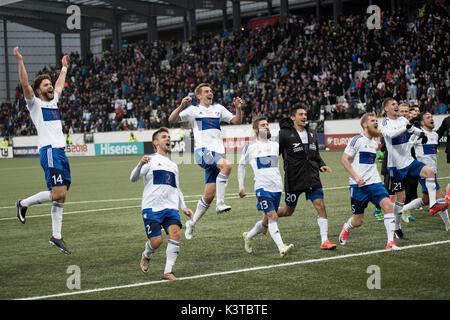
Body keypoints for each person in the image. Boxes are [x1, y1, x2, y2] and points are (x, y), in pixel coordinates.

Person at [14, 46, 72, 254]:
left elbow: (59, 86)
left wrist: (64, 69)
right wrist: (20, 60)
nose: (50, 87)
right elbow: (24, 84)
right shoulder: (35, 104)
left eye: (50, 85)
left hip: (60, 152)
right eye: (46, 85)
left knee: (61, 195)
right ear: (38, 91)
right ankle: (23, 203)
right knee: (57, 193)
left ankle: (56, 236)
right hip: (49, 151)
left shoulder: (54, 100)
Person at [168, 83, 243, 240]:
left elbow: (236, 121)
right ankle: (220, 203)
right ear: (199, 96)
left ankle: (192, 223)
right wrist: (181, 105)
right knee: (227, 165)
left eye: (211, 91)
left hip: (216, 153)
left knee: (208, 196)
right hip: (202, 152)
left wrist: (238, 108)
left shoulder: (219, 109)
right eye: (207, 91)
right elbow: (172, 119)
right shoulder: (193, 110)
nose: (211, 93)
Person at [380, 98, 448, 240]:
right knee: (401, 199)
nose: (396, 106)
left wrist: (421, 134)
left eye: (396, 103)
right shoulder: (385, 123)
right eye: (393, 104)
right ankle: (397, 227)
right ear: (386, 109)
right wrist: (408, 126)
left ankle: (433, 203)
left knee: (429, 172)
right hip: (396, 166)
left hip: (409, 162)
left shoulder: (403, 120)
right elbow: (392, 134)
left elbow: (413, 129)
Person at [130, 127, 193, 280]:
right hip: (152, 207)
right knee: (156, 241)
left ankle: (167, 271)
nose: (168, 139)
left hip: (170, 207)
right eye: (164, 137)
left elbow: (176, 188)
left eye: (169, 137)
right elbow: (133, 178)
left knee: (176, 234)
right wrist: (139, 164)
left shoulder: (173, 165)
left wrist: (183, 206)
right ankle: (146, 254)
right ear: (156, 143)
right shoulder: (149, 160)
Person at [276, 105, 337, 250]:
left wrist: (322, 164)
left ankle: (325, 240)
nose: (304, 117)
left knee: (320, 205)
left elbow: (315, 155)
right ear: (293, 117)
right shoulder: (284, 134)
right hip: (294, 178)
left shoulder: (312, 133)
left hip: (312, 176)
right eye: (301, 114)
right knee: (288, 211)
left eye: (305, 114)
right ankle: (270, 213)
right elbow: (275, 153)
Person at [339, 113, 399, 249]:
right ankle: (347, 227)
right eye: (372, 120)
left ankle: (390, 242)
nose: (376, 123)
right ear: (365, 124)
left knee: (388, 206)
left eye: (376, 121)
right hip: (358, 186)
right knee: (358, 221)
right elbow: (344, 160)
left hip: (376, 183)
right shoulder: (357, 140)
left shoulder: (374, 143)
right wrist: (356, 177)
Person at [238, 117, 294, 257]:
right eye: (263, 125)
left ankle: (248, 236)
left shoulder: (275, 145)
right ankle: (281, 247)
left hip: (277, 188)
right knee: (272, 216)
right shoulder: (250, 147)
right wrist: (241, 186)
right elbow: (241, 165)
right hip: (262, 188)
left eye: (268, 124)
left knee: (265, 223)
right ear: (256, 130)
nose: (267, 127)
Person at [400, 112, 449, 231]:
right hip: (423, 173)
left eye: (432, 116)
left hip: (433, 172)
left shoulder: (435, 135)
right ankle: (448, 224)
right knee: (440, 196)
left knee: (425, 200)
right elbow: (406, 148)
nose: (431, 118)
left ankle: (402, 210)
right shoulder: (418, 134)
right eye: (428, 117)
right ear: (422, 122)